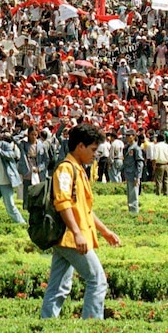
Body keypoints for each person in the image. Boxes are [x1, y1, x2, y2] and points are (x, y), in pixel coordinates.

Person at [41, 123, 121, 320]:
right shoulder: (66, 170)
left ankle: (47, 324)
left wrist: (105, 231)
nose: (95, 154)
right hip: (71, 237)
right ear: (80, 147)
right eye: (93, 149)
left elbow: (85, 210)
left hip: (69, 237)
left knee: (59, 286)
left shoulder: (78, 169)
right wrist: (76, 232)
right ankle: (92, 326)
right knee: (97, 280)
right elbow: (63, 203)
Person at [0, 133, 26, 226]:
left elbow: (11, 155)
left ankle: (21, 223)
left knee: (10, 206)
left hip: (6, 182)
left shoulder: (5, 145)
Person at [122, 129, 144, 214]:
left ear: (134, 136)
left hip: (133, 174)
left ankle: (134, 212)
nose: (127, 137)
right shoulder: (128, 147)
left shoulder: (136, 149)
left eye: (129, 135)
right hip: (128, 174)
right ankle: (131, 211)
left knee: (133, 195)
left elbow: (139, 163)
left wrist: (138, 176)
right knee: (130, 195)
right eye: (126, 135)